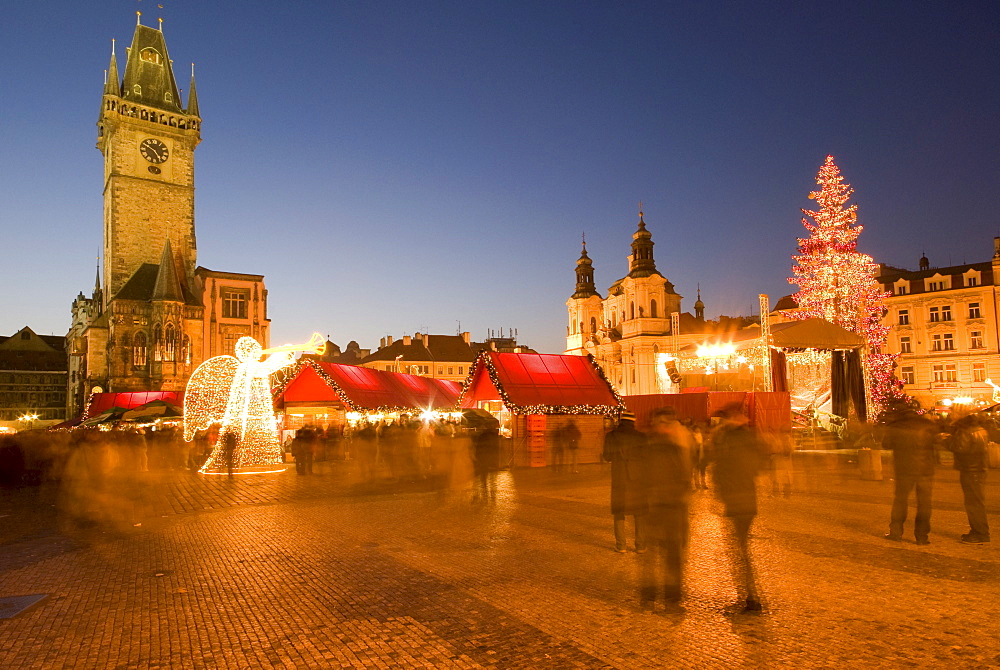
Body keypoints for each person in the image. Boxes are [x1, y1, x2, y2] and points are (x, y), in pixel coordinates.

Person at [711, 401, 764, 613]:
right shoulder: (750, 437)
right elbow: (758, 466)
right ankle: (750, 596)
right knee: (741, 550)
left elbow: (724, 468)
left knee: (741, 552)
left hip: (737, 498)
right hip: (746, 499)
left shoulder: (731, 439)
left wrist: (723, 489)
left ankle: (752, 598)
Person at [639, 406, 692, 610]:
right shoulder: (647, 449)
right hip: (654, 508)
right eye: (662, 423)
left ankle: (672, 599)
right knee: (652, 557)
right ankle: (649, 597)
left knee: (672, 556)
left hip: (673, 508)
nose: (666, 427)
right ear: (655, 424)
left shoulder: (676, 449)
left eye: (668, 423)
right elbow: (640, 479)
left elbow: (685, 479)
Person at [882, 399, 937, 545]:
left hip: (904, 469)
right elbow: (936, 443)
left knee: (900, 501)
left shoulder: (896, 426)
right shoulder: (927, 425)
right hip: (925, 469)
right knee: (924, 503)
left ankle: (896, 532)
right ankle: (922, 536)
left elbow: (886, 444)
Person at [601, 411, 647, 554]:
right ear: (633, 421)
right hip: (638, 477)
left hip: (619, 477)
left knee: (619, 511)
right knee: (639, 512)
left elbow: (607, 457)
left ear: (621, 421)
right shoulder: (641, 437)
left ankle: (621, 545)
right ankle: (640, 545)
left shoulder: (611, 436)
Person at [948, 413, 991, 543]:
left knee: (973, 503)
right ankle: (979, 532)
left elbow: (959, 447)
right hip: (979, 469)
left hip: (971, 470)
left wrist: (945, 441)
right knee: (976, 502)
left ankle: (980, 533)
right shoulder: (980, 429)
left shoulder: (965, 431)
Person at [473, 426, 500, 502]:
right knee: (492, 479)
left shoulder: (481, 436)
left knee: (483, 478)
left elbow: (478, 450)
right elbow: (497, 449)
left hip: (483, 460)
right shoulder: (494, 437)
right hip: (491, 460)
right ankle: (492, 494)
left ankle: (485, 493)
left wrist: (477, 458)